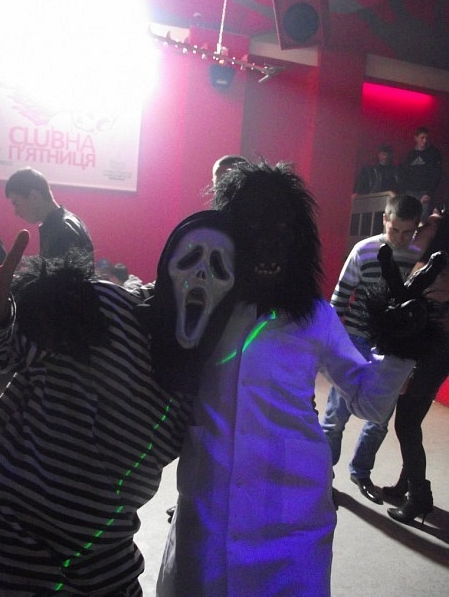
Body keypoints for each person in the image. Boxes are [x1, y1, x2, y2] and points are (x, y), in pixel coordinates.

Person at [156, 161, 417, 597]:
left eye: (281, 231)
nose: (270, 246)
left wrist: (401, 345)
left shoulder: (315, 317)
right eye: (256, 230)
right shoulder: (204, 305)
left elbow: (369, 402)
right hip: (208, 505)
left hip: (292, 514)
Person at [0, 231, 190, 595]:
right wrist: (1, 315)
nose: (202, 279)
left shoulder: (209, 375)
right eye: (193, 256)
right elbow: (7, 355)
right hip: (10, 540)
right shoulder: (106, 304)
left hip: (100, 563)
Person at [320, 194, 423, 505]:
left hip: (392, 347)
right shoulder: (364, 250)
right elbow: (340, 298)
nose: (401, 239)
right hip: (355, 339)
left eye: (408, 232)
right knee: (336, 416)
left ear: (416, 228)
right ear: (384, 221)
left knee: (378, 420)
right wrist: (331, 345)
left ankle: (361, 472)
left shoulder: (417, 255)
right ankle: (323, 477)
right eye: (395, 230)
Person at [383, 212, 449, 524]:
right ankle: (407, 483)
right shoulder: (434, 261)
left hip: (434, 350)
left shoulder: (439, 264)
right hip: (432, 349)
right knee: (411, 418)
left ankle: (419, 497)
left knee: (406, 423)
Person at [5, 167, 94, 261]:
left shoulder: (63, 230)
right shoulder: (62, 225)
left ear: (34, 196)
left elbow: (61, 270)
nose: (16, 212)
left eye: (16, 203)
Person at [400, 126, 443, 222]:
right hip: (410, 192)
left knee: (423, 220)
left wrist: (429, 193)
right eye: (422, 138)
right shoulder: (410, 154)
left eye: (426, 138)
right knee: (410, 219)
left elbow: (437, 174)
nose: (425, 140)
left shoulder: (433, 153)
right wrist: (405, 191)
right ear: (416, 138)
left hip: (425, 192)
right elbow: (405, 173)